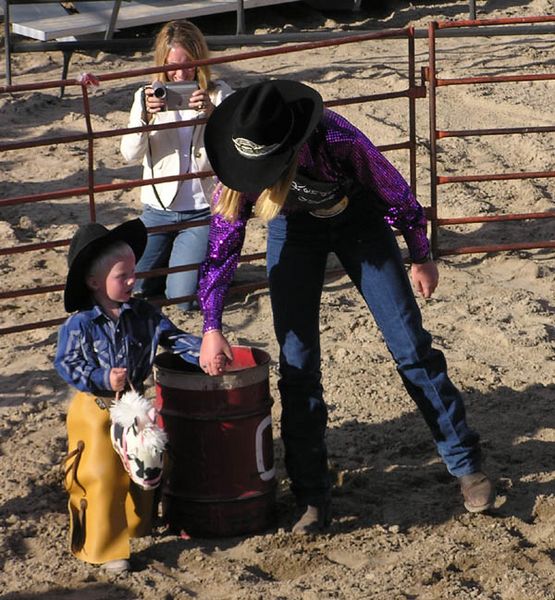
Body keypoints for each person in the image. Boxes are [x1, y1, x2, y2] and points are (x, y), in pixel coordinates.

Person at [197, 80, 496, 534]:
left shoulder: (337, 137)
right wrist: (212, 324)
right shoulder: (239, 169)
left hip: (359, 221)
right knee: (297, 363)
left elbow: (395, 193)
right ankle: (311, 495)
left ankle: (466, 465)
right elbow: (223, 248)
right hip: (292, 230)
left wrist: (420, 254)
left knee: (411, 345)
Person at [54, 218, 222, 572]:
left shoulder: (144, 314)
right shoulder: (80, 324)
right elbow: (66, 362)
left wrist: (204, 351)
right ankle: (105, 546)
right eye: (122, 276)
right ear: (94, 282)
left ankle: (136, 523)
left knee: (147, 461)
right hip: (96, 408)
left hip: (134, 403)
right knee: (100, 473)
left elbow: (173, 338)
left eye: (133, 273)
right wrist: (100, 375)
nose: (133, 280)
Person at [120, 19, 233, 310]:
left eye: (188, 64)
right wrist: (144, 119)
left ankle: (194, 263)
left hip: (200, 212)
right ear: (161, 62)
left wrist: (213, 114)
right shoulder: (145, 96)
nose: (181, 73)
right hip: (158, 211)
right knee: (137, 288)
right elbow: (130, 154)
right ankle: (183, 261)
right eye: (172, 65)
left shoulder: (219, 93)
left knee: (181, 300)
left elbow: (238, 144)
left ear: (200, 61)